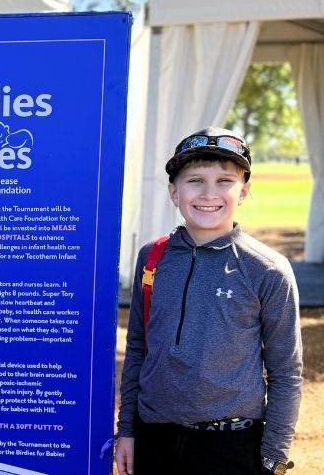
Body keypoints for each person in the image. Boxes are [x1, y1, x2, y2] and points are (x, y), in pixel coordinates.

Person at [115, 127, 303, 475]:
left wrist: (274, 454)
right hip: (154, 437)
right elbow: (138, 348)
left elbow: (286, 371)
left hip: (230, 446)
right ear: (174, 191)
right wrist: (127, 429)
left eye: (224, 181)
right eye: (195, 180)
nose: (208, 193)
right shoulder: (152, 258)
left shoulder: (267, 269)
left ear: (244, 191)